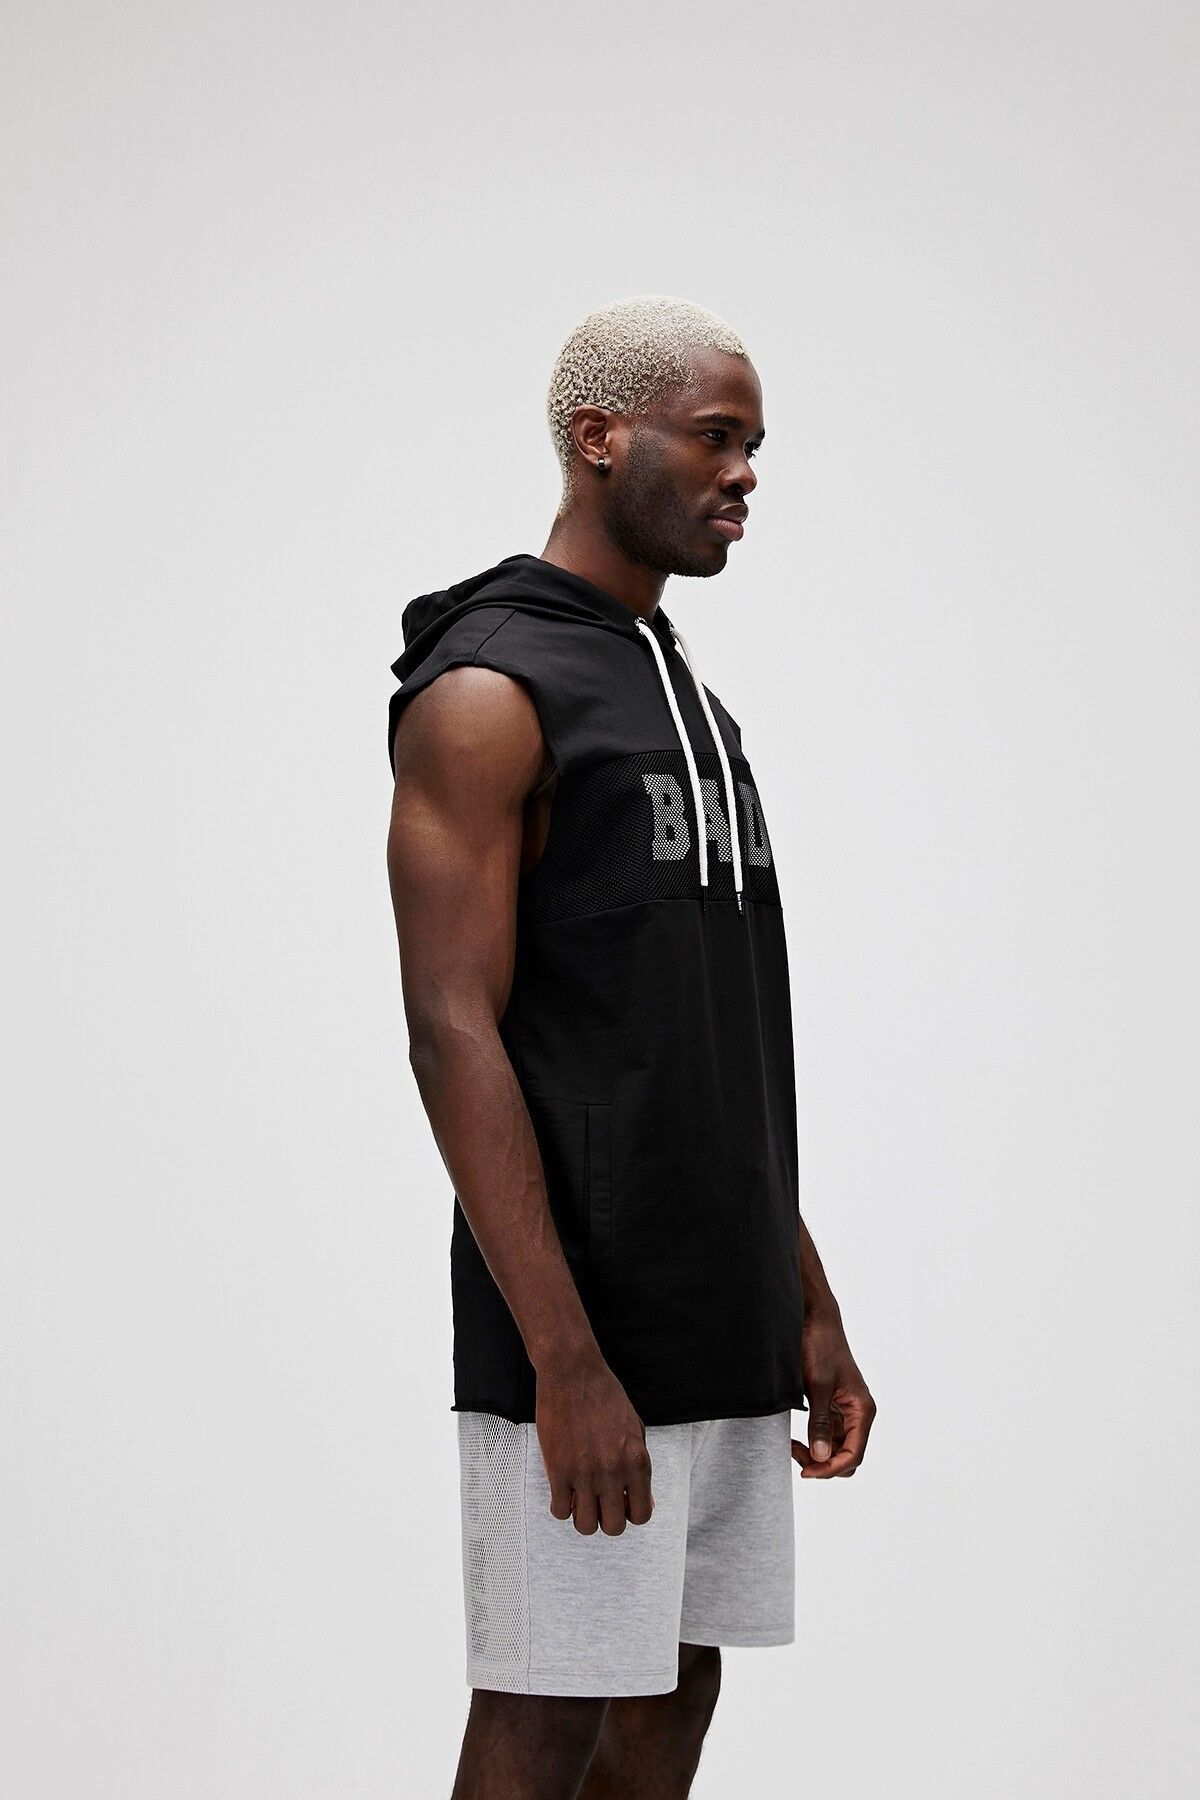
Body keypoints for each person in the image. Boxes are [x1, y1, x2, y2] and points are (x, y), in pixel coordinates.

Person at [385, 295, 876, 1799]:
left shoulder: (688, 700)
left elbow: (699, 1043)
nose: (746, 474)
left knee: (671, 1694)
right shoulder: (489, 691)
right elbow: (450, 1029)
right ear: (601, 438)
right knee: (546, 1709)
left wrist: (805, 1302)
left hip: (720, 1307)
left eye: (756, 446)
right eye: (716, 438)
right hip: (581, 1324)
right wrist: (564, 1362)